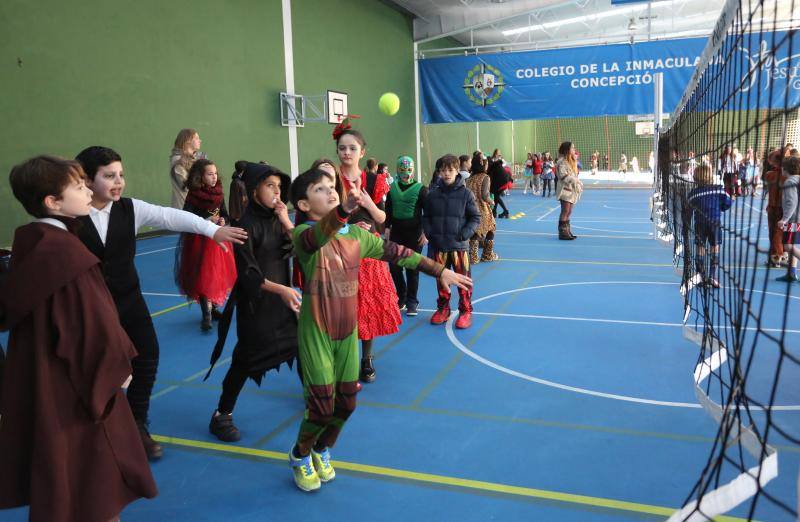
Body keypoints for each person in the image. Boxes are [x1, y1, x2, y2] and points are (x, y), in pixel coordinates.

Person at [288, 167, 471, 491]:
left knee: (346, 404)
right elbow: (319, 235)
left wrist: (439, 270)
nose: (331, 191)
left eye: (333, 187)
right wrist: (345, 210)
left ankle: (321, 449)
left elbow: (399, 253)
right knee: (320, 406)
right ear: (303, 204)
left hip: (347, 333)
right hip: (316, 331)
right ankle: (300, 455)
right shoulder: (303, 235)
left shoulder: (358, 236)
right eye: (320, 189)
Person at [0, 155, 158, 521]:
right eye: (78, 186)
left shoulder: (29, 245)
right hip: (80, 391)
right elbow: (91, 328)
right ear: (52, 203)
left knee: (68, 483)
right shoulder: (68, 256)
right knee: (99, 487)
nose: (88, 191)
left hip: (47, 385)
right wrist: (118, 369)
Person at [74, 146, 247, 460]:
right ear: (86, 179)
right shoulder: (70, 216)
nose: (118, 182)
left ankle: (137, 423)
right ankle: (91, 430)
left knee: (147, 356)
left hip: (128, 301)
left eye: (121, 175)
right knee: (93, 369)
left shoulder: (129, 209)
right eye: (109, 176)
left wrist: (213, 230)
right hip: (88, 309)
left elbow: (172, 216)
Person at [206, 163, 299, 442]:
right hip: (257, 306)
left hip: (282, 303)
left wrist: (286, 221)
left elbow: (300, 247)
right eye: (270, 185)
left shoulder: (278, 219)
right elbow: (249, 275)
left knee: (300, 346)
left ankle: (317, 396)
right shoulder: (244, 226)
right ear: (255, 190)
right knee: (246, 359)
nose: (276, 192)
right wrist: (281, 290)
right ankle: (222, 414)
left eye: (279, 187)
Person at [335, 121, 399, 384]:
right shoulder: (329, 178)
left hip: (369, 251)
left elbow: (382, 217)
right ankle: (341, 360)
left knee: (367, 306)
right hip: (338, 249)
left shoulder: (374, 180)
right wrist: (348, 224)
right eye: (342, 148)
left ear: (362, 152)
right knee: (342, 307)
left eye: (352, 148)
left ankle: (367, 358)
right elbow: (322, 216)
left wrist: (370, 205)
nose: (346, 152)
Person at [176, 159, 238, 331]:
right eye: (209, 174)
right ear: (200, 177)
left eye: (215, 173)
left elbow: (224, 212)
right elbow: (186, 216)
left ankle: (215, 308)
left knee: (215, 274)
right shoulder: (194, 194)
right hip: (199, 239)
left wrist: (224, 219)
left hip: (217, 239)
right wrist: (205, 220)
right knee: (203, 274)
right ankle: (206, 314)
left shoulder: (219, 193)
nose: (214, 177)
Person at [423, 154, 481, 329]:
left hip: (459, 247)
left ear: (457, 171)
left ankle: (465, 311)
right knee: (441, 280)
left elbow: (475, 217)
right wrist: (431, 234)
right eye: (443, 170)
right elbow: (426, 217)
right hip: (439, 246)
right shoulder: (432, 194)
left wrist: (465, 234)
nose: (446, 173)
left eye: (450, 170)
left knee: (463, 281)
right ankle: (443, 309)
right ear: (439, 172)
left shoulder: (466, 194)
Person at [386, 156, 428, 316]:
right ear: (397, 170)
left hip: (415, 234)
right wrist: (387, 228)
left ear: (413, 170)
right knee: (395, 267)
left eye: (409, 170)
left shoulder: (421, 189)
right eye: (402, 170)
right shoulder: (392, 188)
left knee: (412, 267)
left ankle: (412, 301)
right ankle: (401, 296)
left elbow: (428, 212)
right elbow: (388, 209)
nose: (406, 173)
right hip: (396, 232)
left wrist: (425, 232)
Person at [688, 165, 732, 288]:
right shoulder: (719, 190)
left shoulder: (693, 194)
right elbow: (728, 204)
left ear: (695, 178)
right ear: (710, 177)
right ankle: (712, 276)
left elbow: (688, 210)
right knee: (715, 247)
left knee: (700, 248)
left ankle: (700, 277)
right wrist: (721, 207)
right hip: (715, 223)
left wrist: (685, 228)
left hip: (700, 224)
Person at [466, 154, 497, 264]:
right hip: (482, 208)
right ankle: (487, 254)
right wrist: (491, 201)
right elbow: (485, 195)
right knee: (491, 228)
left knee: (475, 231)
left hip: (470, 208)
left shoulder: (470, 178)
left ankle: (473, 257)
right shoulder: (485, 177)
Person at [777, 155, 800, 282]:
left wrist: (784, 219)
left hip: (793, 219)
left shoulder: (790, 182)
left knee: (787, 246)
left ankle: (792, 272)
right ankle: (792, 273)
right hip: (798, 218)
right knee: (793, 244)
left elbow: (792, 202)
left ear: (786, 169)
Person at [764, 148, 788, 267]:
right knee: (779, 233)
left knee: (775, 233)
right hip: (782, 208)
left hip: (776, 208)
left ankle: (777, 256)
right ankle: (780, 255)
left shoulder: (771, 175)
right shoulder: (786, 176)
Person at [170, 128, 204, 209]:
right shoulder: (178, 160)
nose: (200, 140)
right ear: (187, 141)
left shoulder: (195, 159)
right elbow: (187, 186)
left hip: (195, 209)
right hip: (184, 210)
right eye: (196, 138)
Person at [556, 142, 583, 240]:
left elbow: (575, 174)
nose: (574, 150)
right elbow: (564, 176)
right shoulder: (561, 162)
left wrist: (575, 162)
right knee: (565, 210)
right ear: (567, 150)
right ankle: (562, 233)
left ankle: (567, 230)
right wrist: (575, 181)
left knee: (569, 211)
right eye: (572, 148)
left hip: (571, 190)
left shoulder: (571, 161)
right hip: (565, 190)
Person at [228, 160, 249, 225]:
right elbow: (234, 200)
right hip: (238, 217)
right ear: (243, 170)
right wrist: (237, 216)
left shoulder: (242, 180)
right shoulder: (236, 182)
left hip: (244, 214)